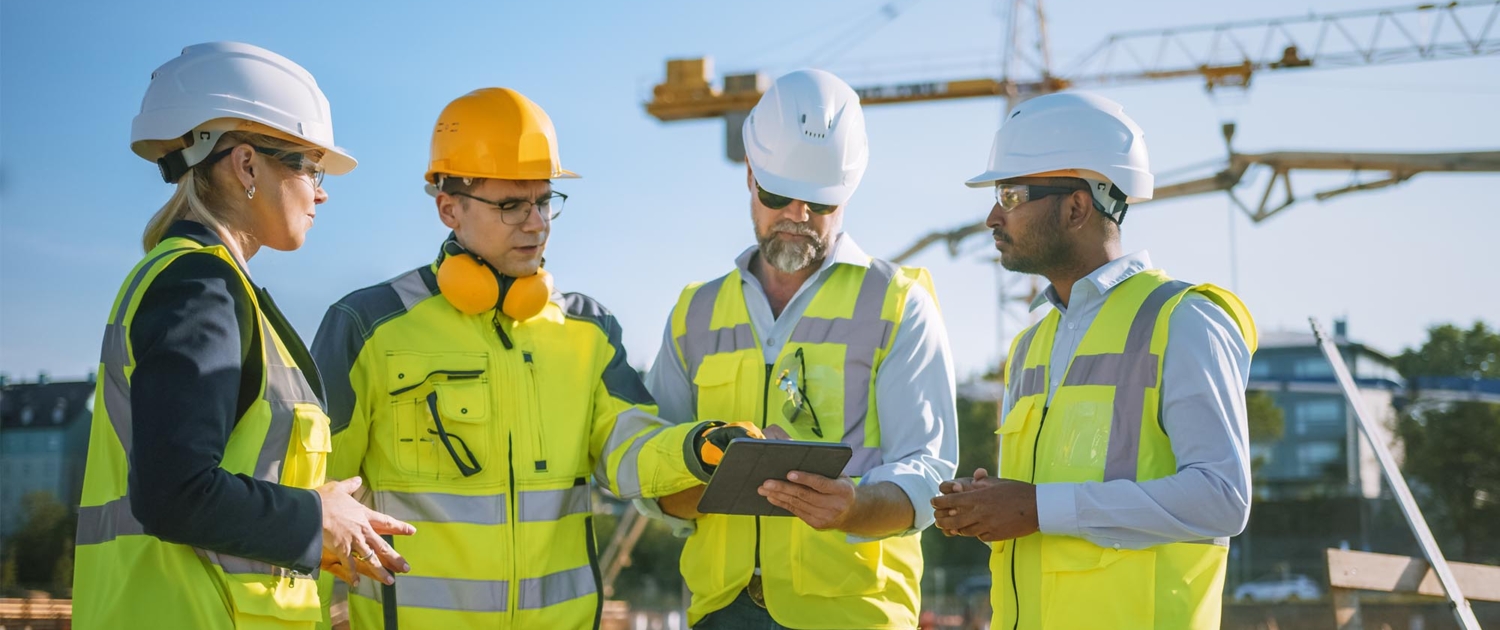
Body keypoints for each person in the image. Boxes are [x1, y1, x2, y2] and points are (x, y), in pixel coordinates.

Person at [310, 87, 739, 629]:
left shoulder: (589, 332)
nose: (536, 223)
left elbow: (629, 448)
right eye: (511, 205)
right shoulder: (367, 326)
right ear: (448, 208)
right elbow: (314, 498)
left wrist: (697, 446)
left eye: (543, 200)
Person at [73, 42, 414, 629]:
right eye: (308, 165)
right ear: (248, 165)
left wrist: (307, 525)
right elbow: (175, 493)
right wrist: (315, 518)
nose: (322, 190)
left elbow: (199, 477)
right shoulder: (199, 286)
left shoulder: (200, 279)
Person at [641, 69, 959, 629]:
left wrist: (855, 507)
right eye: (777, 194)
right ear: (749, 175)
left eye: (818, 202)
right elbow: (650, 464)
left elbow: (930, 469)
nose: (796, 215)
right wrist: (692, 479)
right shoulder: (694, 313)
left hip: (853, 614)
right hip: (721, 612)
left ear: (848, 192)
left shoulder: (897, 304)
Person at [931, 91, 1259, 630]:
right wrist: (989, 504)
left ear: (1077, 206)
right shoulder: (1029, 345)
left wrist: (1039, 507)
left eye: (1010, 195)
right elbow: (1037, 502)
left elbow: (1222, 498)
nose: (992, 216)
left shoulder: (1184, 320)